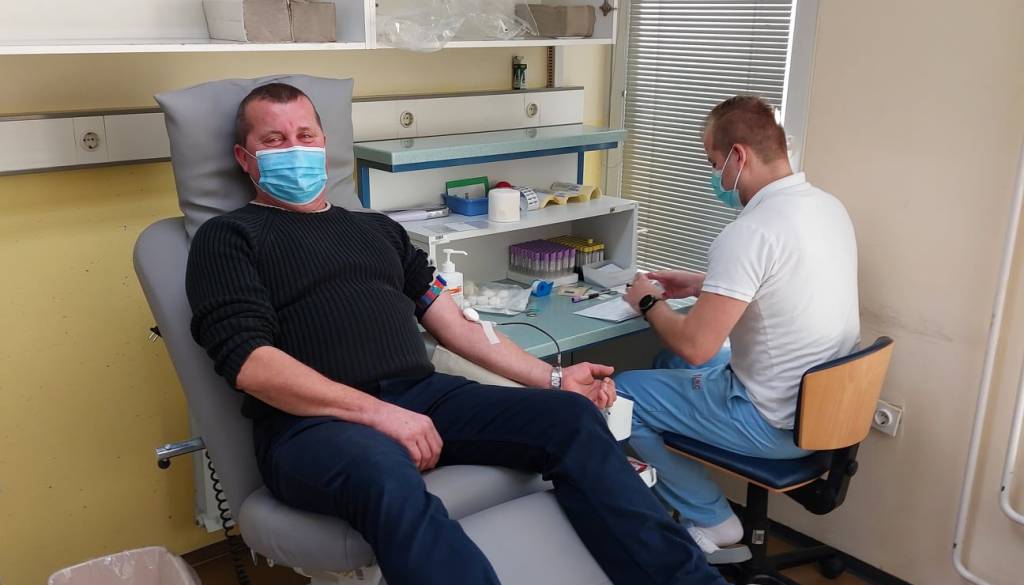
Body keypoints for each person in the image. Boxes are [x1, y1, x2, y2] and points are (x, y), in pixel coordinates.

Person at [186, 82, 726, 585]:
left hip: (424, 396)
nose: (295, 149)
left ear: (324, 145)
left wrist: (555, 380)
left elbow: (458, 325)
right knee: (382, 471)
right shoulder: (228, 237)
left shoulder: (377, 230)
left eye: (305, 135)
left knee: (572, 418)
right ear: (245, 158)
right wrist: (380, 415)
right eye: (274, 140)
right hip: (312, 425)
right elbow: (251, 363)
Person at [618, 95, 860, 556]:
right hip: (824, 412)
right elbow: (784, 283)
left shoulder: (750, 231)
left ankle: (714, 521)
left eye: (714, 164)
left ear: (738, 156)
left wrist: (647, 301)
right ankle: (680, 501)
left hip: (772, 424)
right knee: (667, 362)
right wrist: (702, 284)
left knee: (621, 395)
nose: (716, 177)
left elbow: (697, 347)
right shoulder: (827, 207)